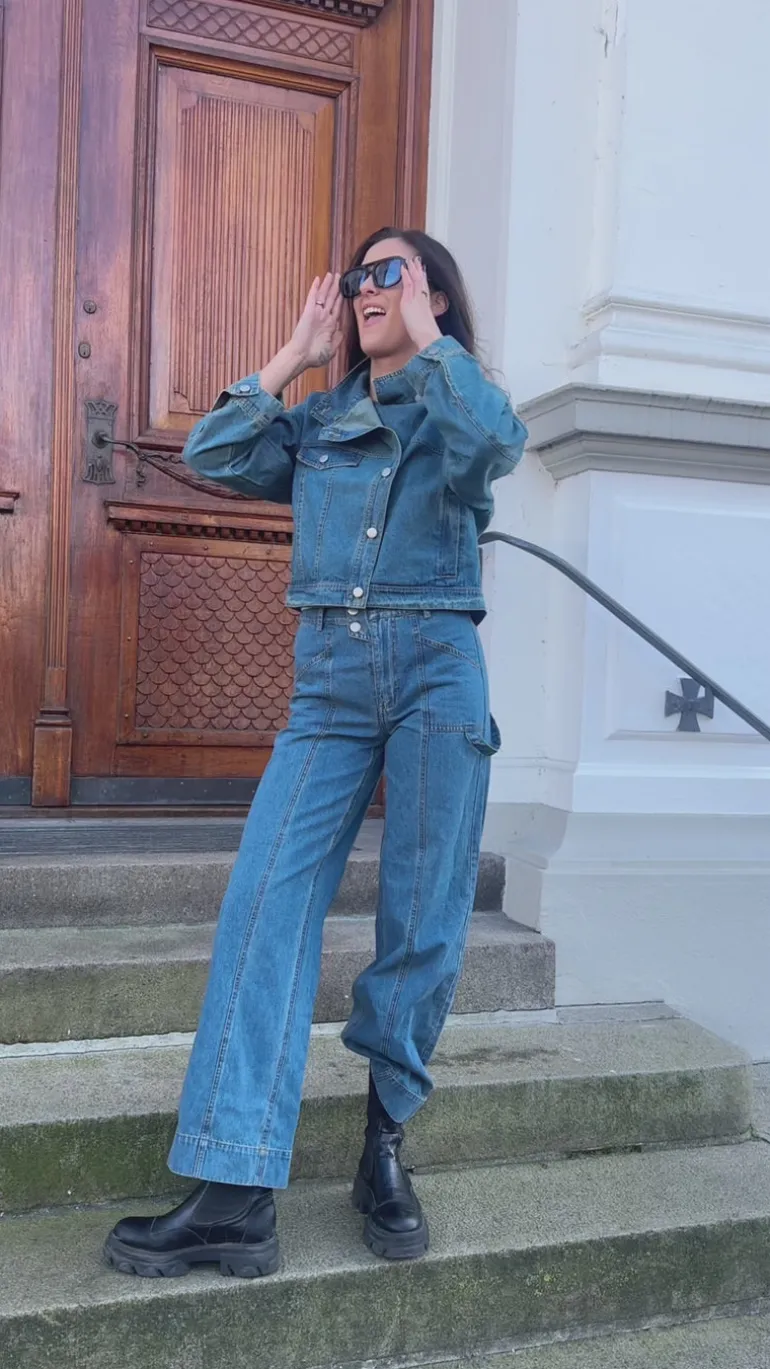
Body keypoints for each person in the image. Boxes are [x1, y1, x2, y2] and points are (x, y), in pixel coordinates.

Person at [104, 227, 527, 1279]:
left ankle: (383, 1146)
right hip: (329, 682)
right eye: (355, 279)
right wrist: (294, 354)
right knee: (264, 901)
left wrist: (431, 342)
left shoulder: (458, 399)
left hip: (437, 669)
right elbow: (213, 453)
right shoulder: (318, 423)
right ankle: (234, 1189)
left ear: (431, 291)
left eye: (387, 273)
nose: (363, 290)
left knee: (421, 917)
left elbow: (495, 445)